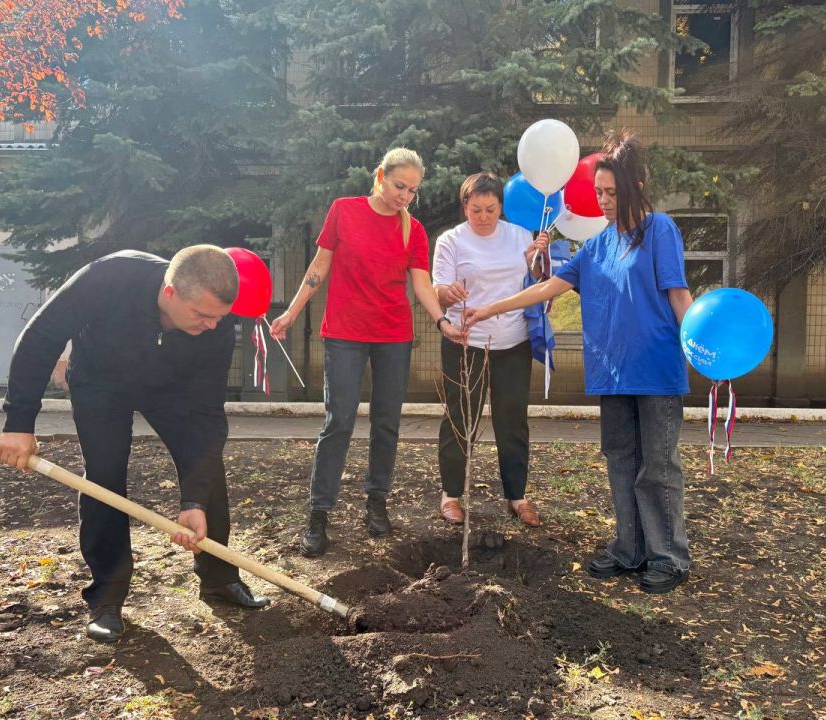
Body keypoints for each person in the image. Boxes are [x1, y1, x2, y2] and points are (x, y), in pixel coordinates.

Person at [0, 246, 270, 644]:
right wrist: (19, 422)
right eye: (202, 315)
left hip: (173, 390)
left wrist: (193, 500)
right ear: (171, 292)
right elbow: (42, 336)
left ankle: (219, 577)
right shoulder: (111, 277)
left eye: (219, 317)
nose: (212, 325)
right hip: (100, 383)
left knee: (207, 467)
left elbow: (207, 414)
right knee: (104, 475)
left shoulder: (217, 326)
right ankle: (107, 597)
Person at [466, 131, 695, 594]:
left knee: (658, 466)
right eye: (599, 193)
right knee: (620, 462)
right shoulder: (597, 244)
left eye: (612, 193)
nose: (605, 202)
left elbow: (678, 292)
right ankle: (629, 549)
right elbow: (547, 288)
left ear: (636, 187)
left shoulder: (659, 230)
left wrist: (701, 348)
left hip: (655, 370)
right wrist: (491, 308)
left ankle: (668, 557)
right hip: (611, 372)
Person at [269, 148, 465, 557]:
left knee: (386, 422)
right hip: (344, 333)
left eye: (412, 191)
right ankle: (318, 515)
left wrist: (442, 322)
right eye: (399, 186)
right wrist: (290, 313)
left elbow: (422, 284)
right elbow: (317, 268)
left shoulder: (414, 230)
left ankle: (377, 503)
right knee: (338, 421)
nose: (405, 196)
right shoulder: (344, 210)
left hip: (393, 334)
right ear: (380, 176)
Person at [431, 172, 548, 527]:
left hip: (513, 342)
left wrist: (537, 259)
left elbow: (537, 281)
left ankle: (517, 497)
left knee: (511, 420)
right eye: (476, 209)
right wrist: (448, 293)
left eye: (491, 209)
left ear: (501, 207)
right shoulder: (451, 240)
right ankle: (451, 495)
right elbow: (437, 288)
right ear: (464, 206)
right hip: (465, 343)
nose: (483, 217)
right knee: (459, 419)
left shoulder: (518, 235)